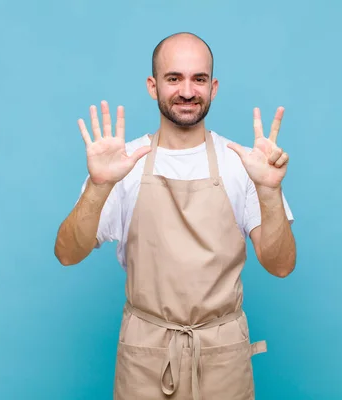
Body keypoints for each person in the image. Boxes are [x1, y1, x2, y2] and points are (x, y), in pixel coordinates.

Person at [54, 32, 297, 400]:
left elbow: (281, 265)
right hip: (146, 357)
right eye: (174, 78)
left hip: (221, 357)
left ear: (213, 87)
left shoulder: (244, 164)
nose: (187, 91)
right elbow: (67, 254)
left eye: (198, 79)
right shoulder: (123, 164)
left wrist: (269, 191)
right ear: (153, 86)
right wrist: (99, 186)